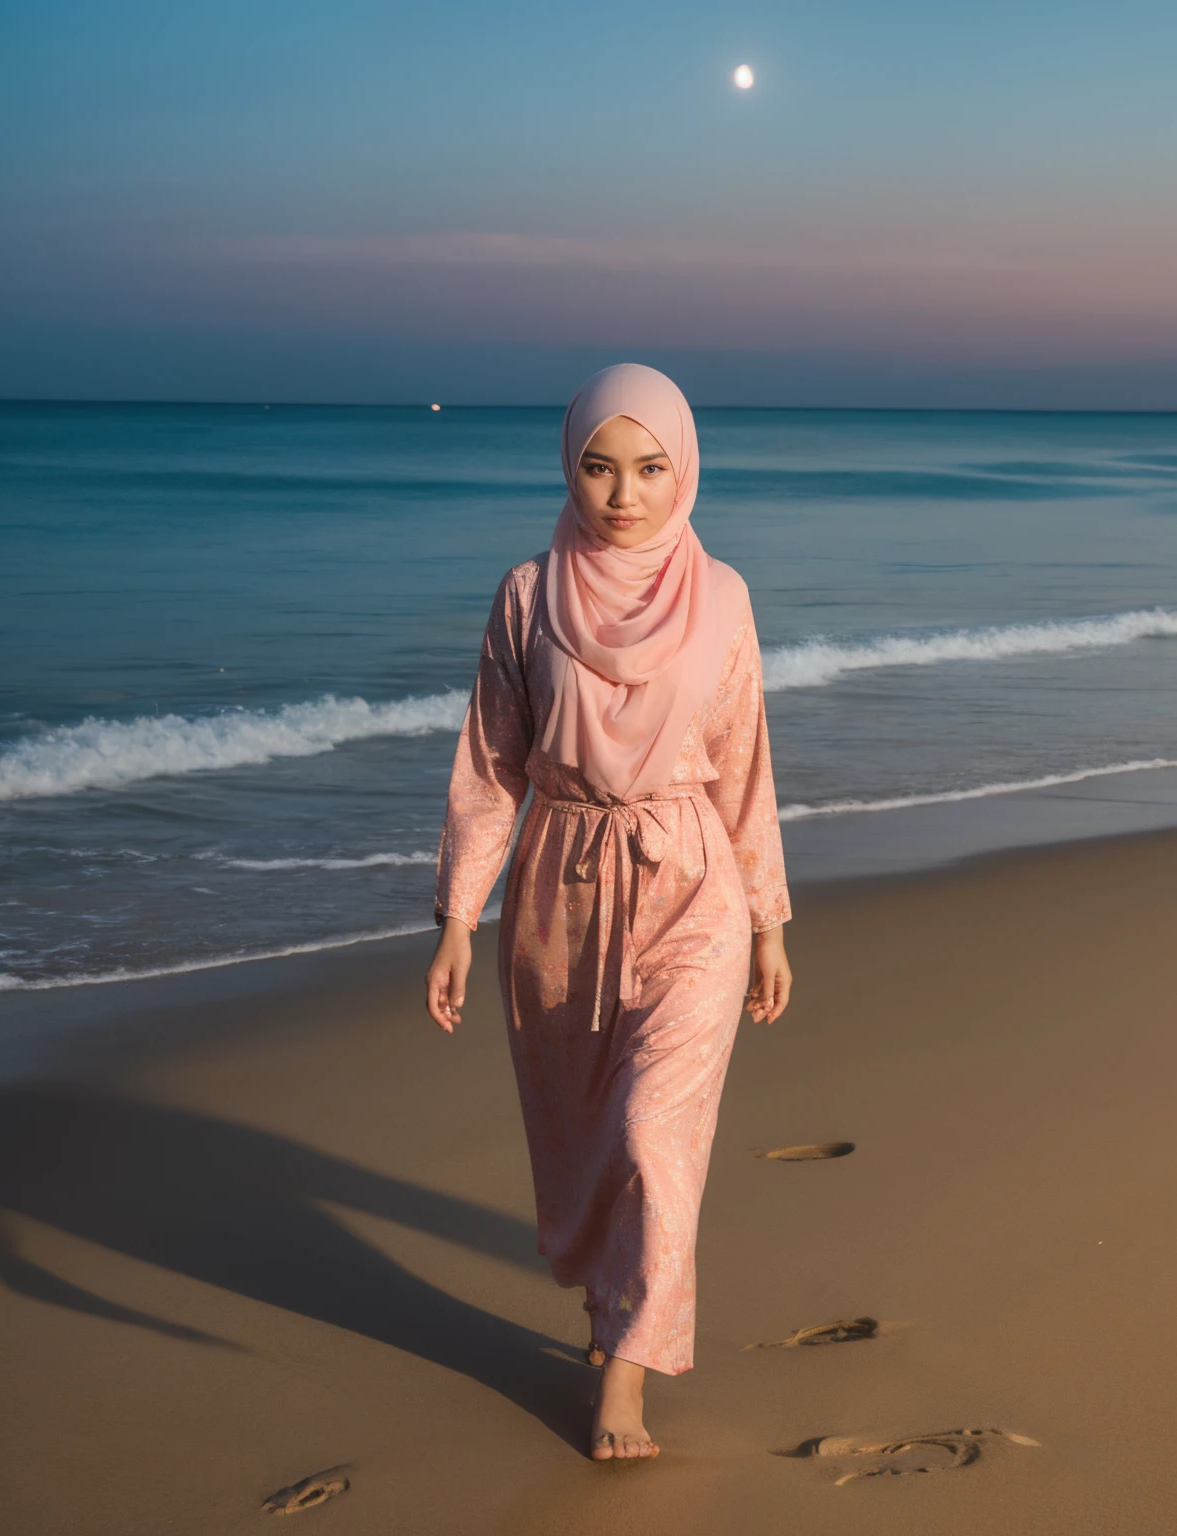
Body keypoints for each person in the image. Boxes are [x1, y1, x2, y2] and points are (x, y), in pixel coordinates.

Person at [424, 363, 793, 1462]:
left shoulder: (722, 598)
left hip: (692, 884)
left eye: (649, 468)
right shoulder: (527, 596)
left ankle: (628, 1376)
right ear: (569, 467)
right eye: (599, 466)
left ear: (684, 471)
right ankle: (610, 1301)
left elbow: (744, 770)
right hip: (560, 893)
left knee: (652, 1130)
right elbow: (491, 765)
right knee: (587, 1136)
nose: (623, 494)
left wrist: (770, 922)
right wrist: (456, 914)